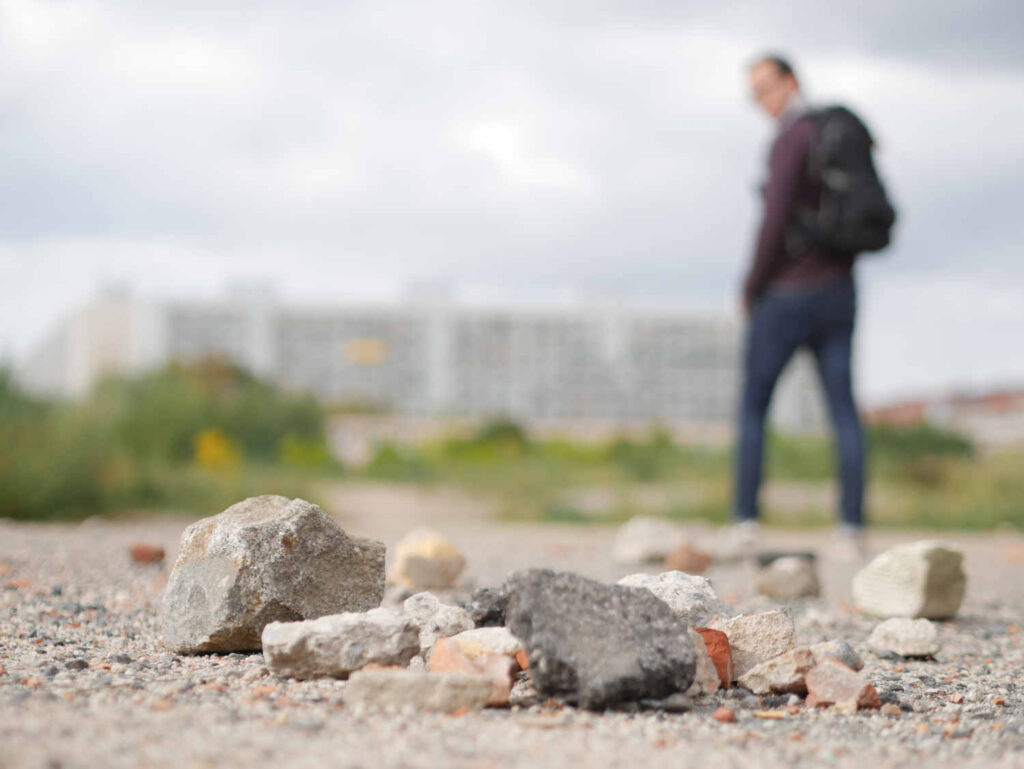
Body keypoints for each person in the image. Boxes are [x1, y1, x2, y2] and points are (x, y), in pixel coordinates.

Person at [731, 54, 866, 557]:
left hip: (787, 294)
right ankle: (850, 526)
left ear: (791, 82)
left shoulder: (791, 138)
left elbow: (774, 219)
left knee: (752, 406)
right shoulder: (836, 135)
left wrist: (750, 285)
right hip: (839, 290)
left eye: (766, 87)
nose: (761, 100)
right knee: (843, 409)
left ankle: (745, 520)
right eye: (755, 93)